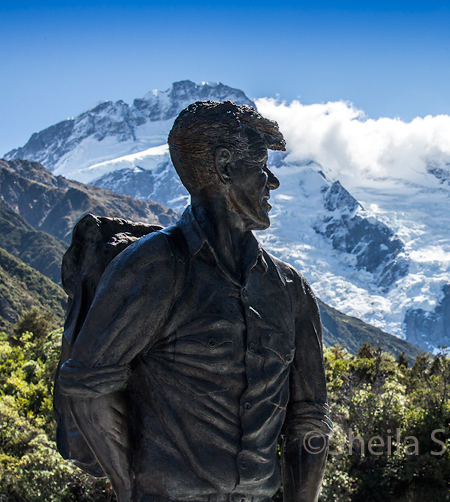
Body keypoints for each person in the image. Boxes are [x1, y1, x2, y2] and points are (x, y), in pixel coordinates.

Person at [58, 101, 331, 502]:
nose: (271, 181)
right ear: (224, 166)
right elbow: (88, 384)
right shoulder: (153, 268)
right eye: (260, 165)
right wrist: (129, 487)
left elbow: (309, 418)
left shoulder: (291, 290)